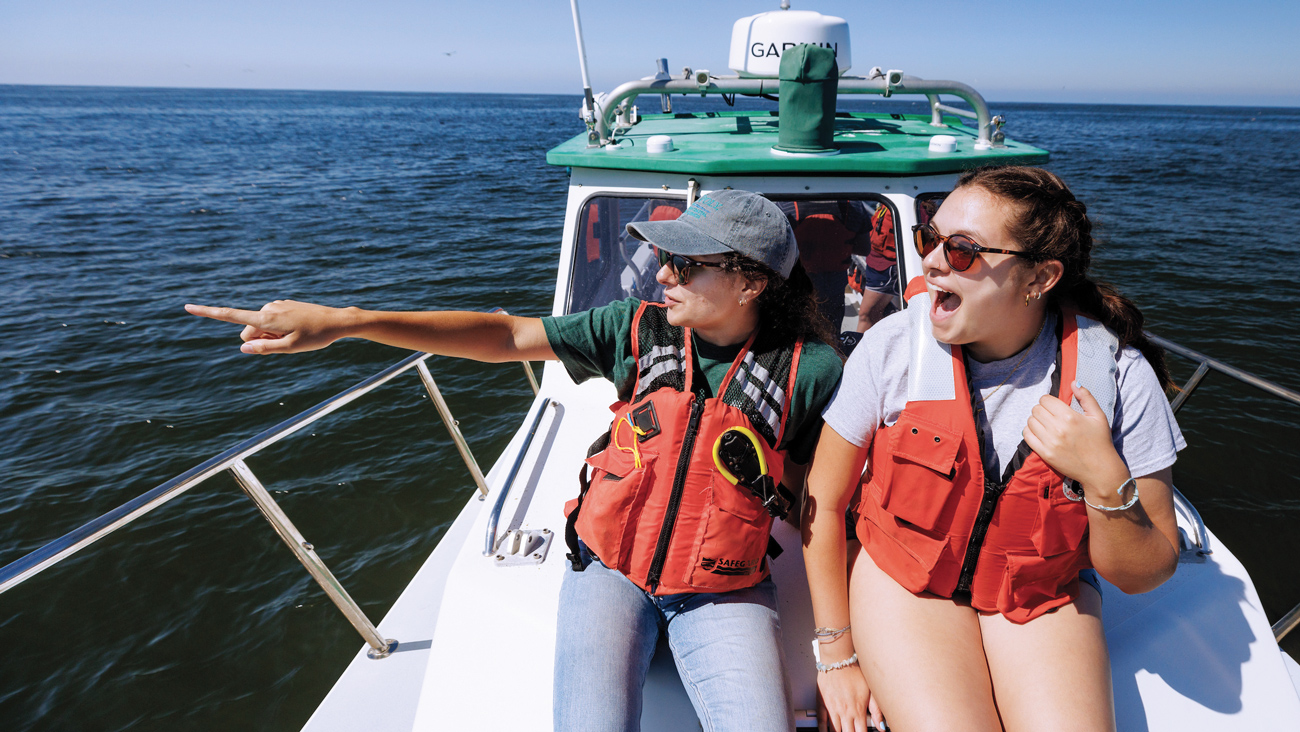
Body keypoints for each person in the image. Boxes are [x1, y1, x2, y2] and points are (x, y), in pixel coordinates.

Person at [186, 189, 844, 732]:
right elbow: (508, 335)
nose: (663, 275)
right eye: (664, 259)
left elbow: (827, 498)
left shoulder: (809, 373)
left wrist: (843, 650)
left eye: (687, 264)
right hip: (610, 568)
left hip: (721, 590)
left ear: (752, 280)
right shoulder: (635, 329)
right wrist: (348, 322)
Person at [801, 166, 1184, 732]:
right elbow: (824, 500)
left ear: (1040, 277)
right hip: (910, 583)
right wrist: (837, 654)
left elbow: (1146, 571)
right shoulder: (892, 350)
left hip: (1037, 595)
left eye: (961, 251)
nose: (930, 262)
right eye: (929, 239)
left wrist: (1104, 477)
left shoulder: (1116, 379)